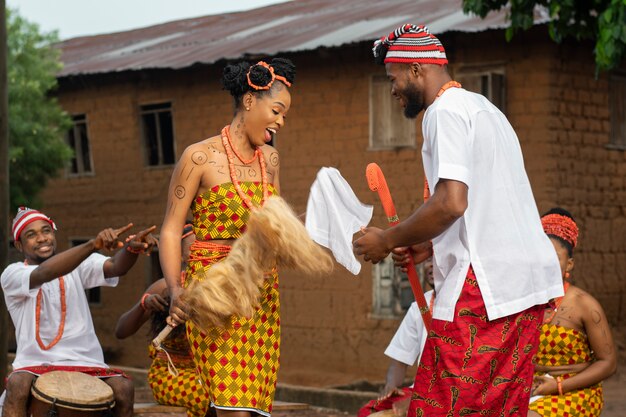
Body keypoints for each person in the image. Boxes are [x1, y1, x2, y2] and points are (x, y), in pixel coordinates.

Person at [353, 24, 563, 416]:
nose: (393, 89)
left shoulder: (443, 112)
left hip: (483, 289)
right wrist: (425, 243)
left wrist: (387, 239)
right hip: (525, 287)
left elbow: (451, 203)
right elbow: (486, 205)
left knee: (441, 406)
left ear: (416, 69)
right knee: (498, 408)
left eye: (393, 77)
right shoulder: (486, 109)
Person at [159, 58, 295, 417]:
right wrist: (176, 291)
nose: (281, 121)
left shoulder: (271, 160)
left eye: (284, 115)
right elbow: (171, 230)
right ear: (250, 101)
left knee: (251, 409)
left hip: (261, 294)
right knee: (232, 408)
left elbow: (277, 224)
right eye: (277, 111)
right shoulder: (199, 157)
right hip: (212, 294)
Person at [1, 207, 157, 417]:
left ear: (54, 234)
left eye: (46, 231)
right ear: (19, 245)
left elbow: (116, 267)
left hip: (86, 363)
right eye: (31, 235)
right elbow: (44, 272)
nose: (41, 238)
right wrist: (94, 244)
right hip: (34, 364)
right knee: (17, 384)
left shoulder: (78, 264)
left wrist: (131, 250)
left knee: (124, 388)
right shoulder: (13, 274)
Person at [528, 208, 617, 416]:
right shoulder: (524, 302)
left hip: (574, 392)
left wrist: (557, 386)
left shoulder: (584, 305)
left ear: (569, 264)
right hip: (531, 387)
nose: (546, 264)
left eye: (554, 258)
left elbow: (608, 363)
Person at [115, 224, 209, 417]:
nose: (201, 254)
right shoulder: (165, 288)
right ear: (179, 255)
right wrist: (143, 304)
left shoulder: (222, 289)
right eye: (193, 249)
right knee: (215, 398)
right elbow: (121, 331)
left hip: (210, 374)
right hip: (171, 375)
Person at [358, 259, 434, 417]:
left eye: (436, 256)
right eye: (427, 259)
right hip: (420, 390)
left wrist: (416, 401)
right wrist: (391, 386)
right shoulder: (420, 306)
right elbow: (400, 358)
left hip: (452, 390)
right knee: (368, 412)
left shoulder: (468, 306)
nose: (430, 264)